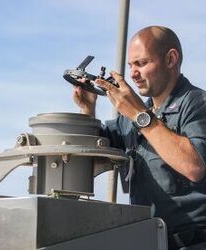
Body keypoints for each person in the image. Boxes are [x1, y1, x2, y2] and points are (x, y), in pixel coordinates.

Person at [73, 26, 206, 249]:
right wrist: (88, 110)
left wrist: (138, 115)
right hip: (150, 241)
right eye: (130, 66)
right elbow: (93, 151)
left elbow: (194, 166)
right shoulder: (130, 120)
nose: (133, 74)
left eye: (142, 63)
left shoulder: (196, 104)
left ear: (171, 59)